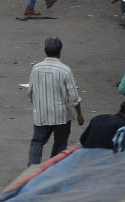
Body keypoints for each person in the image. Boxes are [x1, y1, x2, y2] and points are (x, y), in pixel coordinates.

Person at [27, 37, 84, 165]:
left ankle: (31, 170)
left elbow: (30, 92)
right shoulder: (65, 70)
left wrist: (39, 104)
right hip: (61, 116)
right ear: (60, 52)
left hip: (41, 114)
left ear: (45, 50)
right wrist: (79, 115)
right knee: (60, 145)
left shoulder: (36, 68)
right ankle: (52, 169)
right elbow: (74, 97)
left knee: (37, 142)